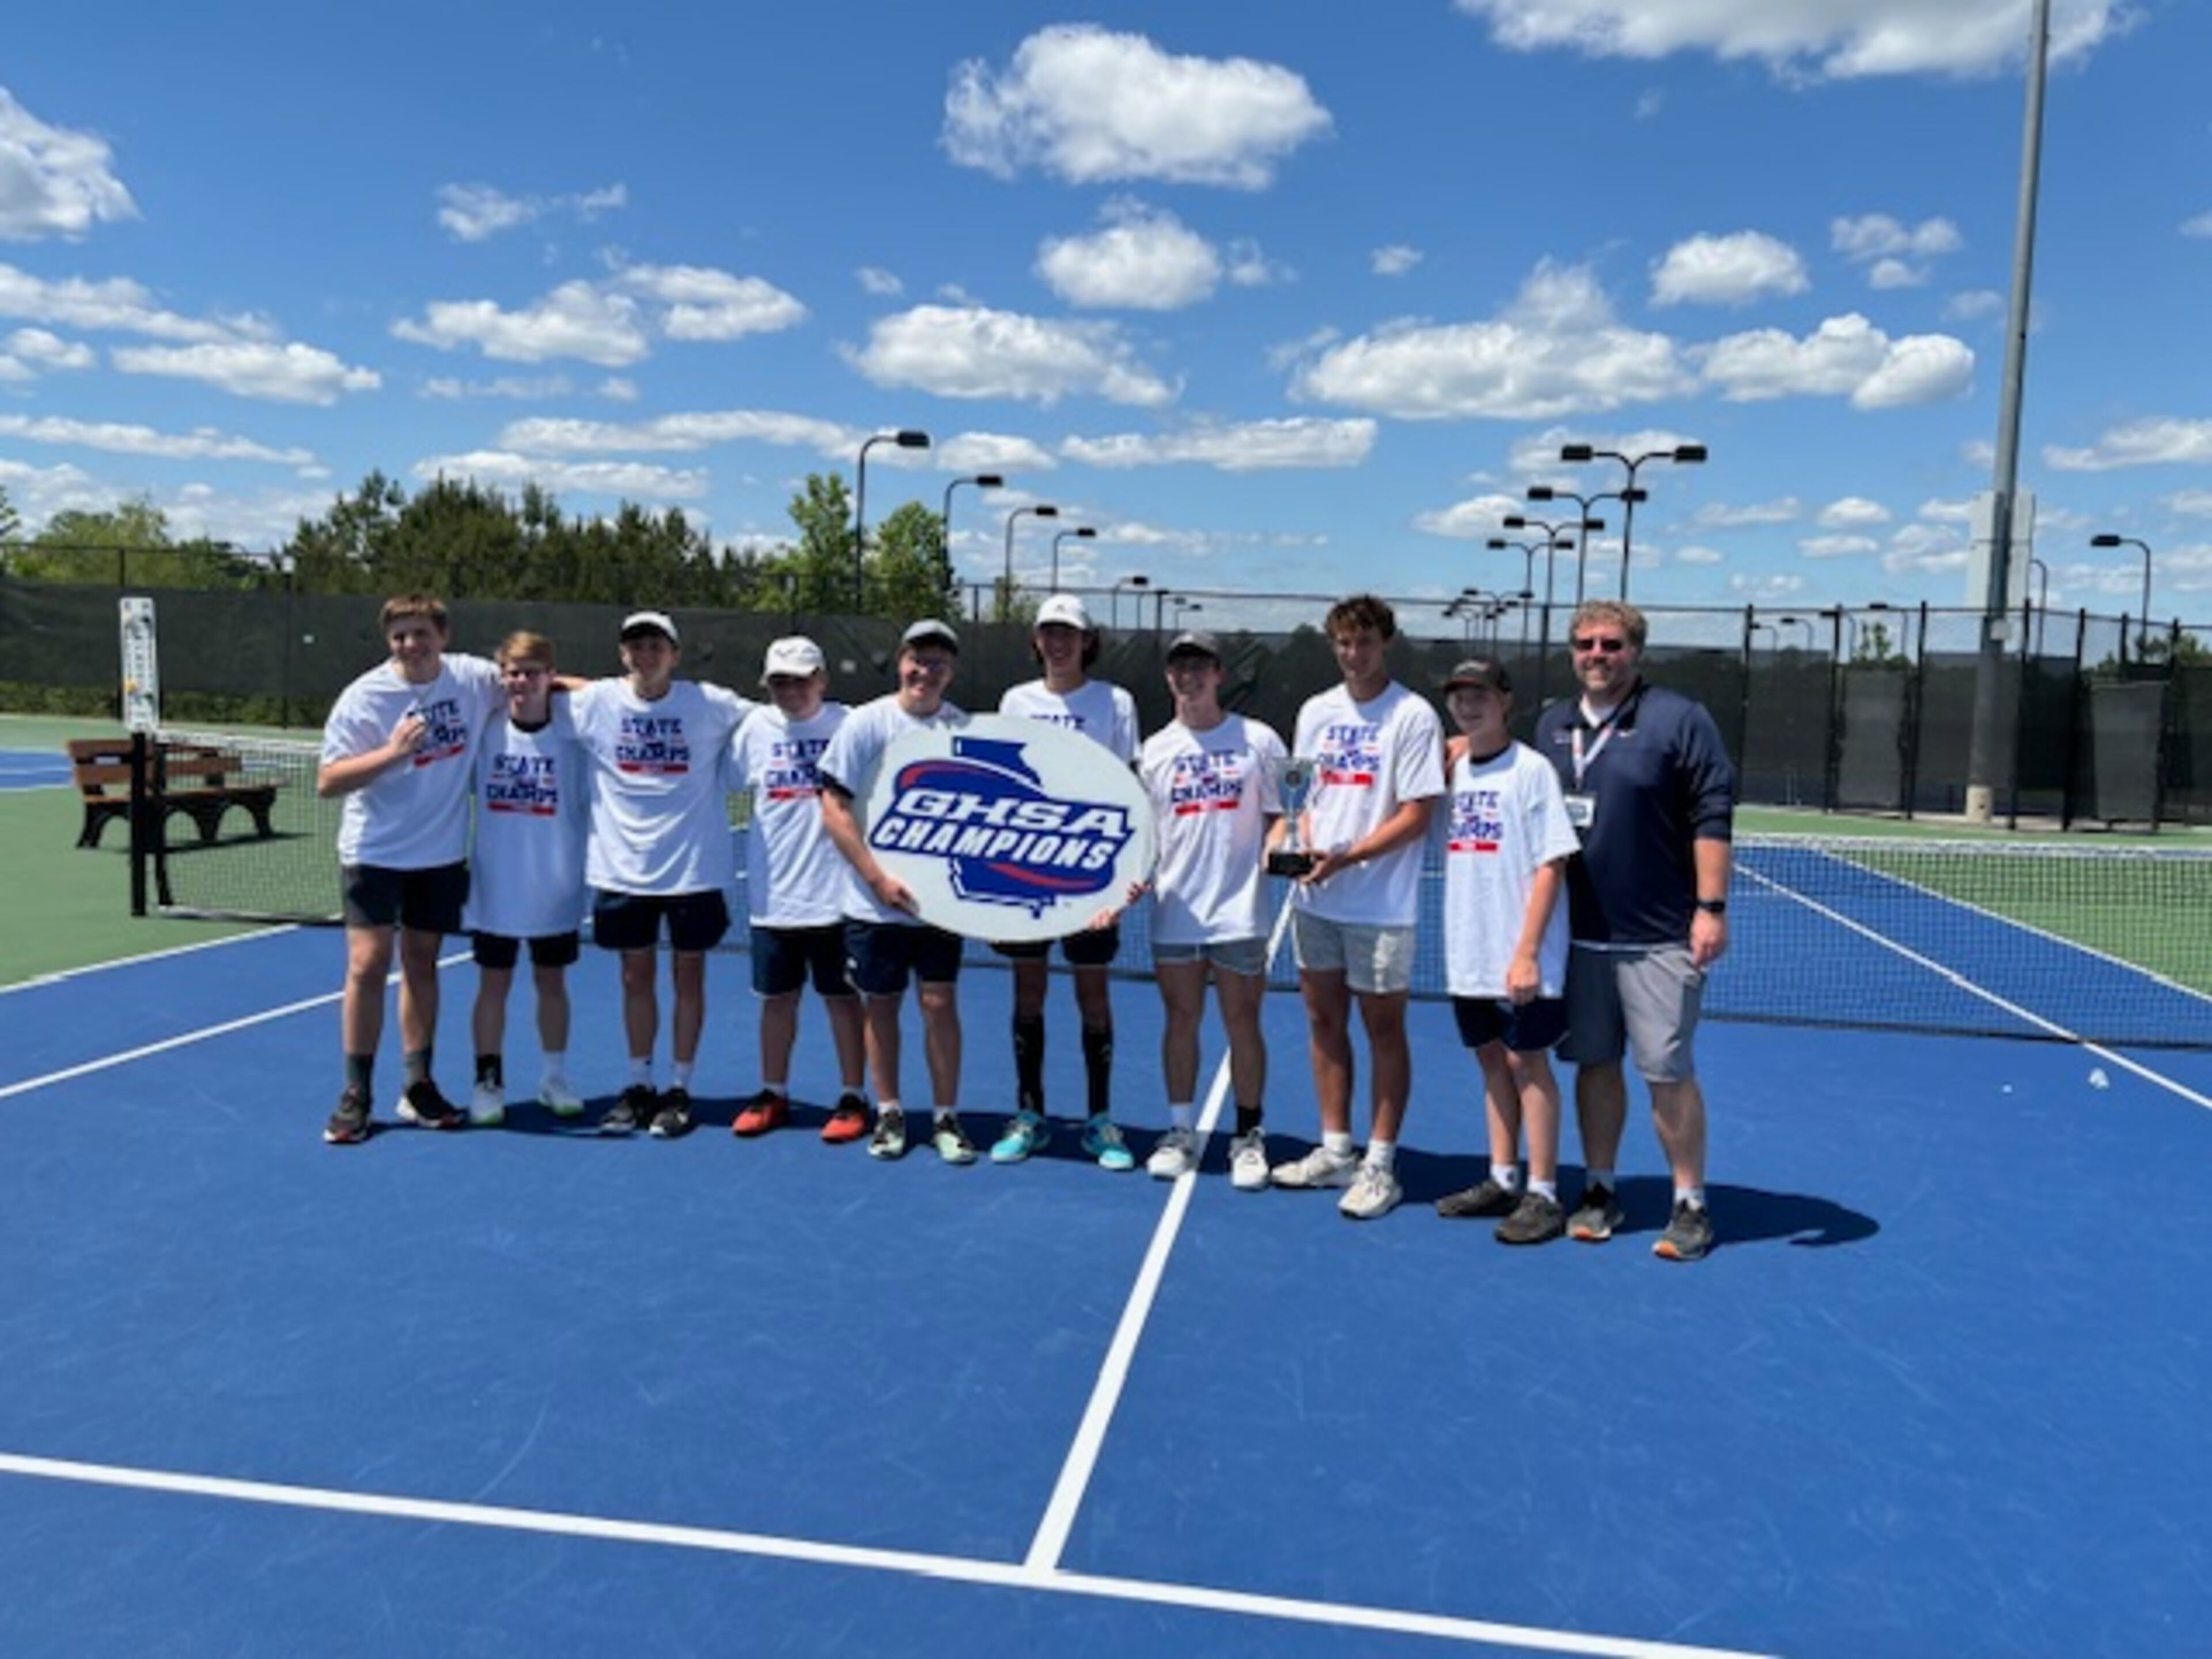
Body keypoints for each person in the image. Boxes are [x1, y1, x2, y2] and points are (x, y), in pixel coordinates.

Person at [1533, 599, 1736, 1263]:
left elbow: (1712, 813)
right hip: (1580, 937)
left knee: (1666, 1072)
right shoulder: (1552, 724)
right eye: (1586, 644)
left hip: (1659, 938)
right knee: (1595, 1067)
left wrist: (1710, 908)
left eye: (1612, 645)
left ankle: (1690, 1203)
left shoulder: (1680, 719)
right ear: (1573, 652)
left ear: (1636, 652)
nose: (1598, 655)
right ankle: (1599, 1189)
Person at [1268, 593, 1444, 1220]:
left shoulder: (1413, 716)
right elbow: (1303, 796)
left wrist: (1346, 856)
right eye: (1343, 643)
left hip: (1381, 909)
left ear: (1385, 644)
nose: (1353, 653)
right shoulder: (1316, 712)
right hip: (1317, 903)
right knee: (1322, 1022)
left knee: (1383, 1031)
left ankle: (1380, 1164)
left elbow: (1418, 814)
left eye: (1364, 642)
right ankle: (1337, 1149)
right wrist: (1298, 841)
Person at [316, 593, 506, 1143]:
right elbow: (328, 782)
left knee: (422, 963)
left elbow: (535, 680)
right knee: (369, 964)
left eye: (421, 633)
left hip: (441, 854)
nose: (411, 645)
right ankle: (356, 1093)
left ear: (443, 636)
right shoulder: (365, 697)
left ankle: (418, 1085)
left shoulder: (471, 678)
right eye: (400, 636)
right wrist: (394, 752)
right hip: (374, 852)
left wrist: (617, 694)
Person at [567, 611, 755, 1139]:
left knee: (688, 977)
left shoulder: (710, 703)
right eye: (636, 646)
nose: (646, 654)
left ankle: (679, 1088)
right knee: (635, 978)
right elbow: (537, 685)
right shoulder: (596, 701)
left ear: (675, 653)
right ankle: (638, 1084)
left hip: (694, 871)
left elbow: (774, 717)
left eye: (656, 646)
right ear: (623, 654)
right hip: (623, 870)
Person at [1429, 658, 1581, 1244]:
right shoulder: (1453, 771)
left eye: (1481, 696)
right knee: (1491, 1059)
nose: (1469, 706)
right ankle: (1501, 1177)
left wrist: (1527, 953)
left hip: (1523, 952)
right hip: (1469, 946)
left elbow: (1552, 865)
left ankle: (1543, 1191)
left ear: (1505, 702)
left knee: (1528, 1063)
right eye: (1460, 696)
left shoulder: (1532, 771)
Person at [990, 593, 1142, 1172]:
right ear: (1037, 641)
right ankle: (1030, 1115)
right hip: (1026, 872)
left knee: (1092, 995)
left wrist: (1122, 877)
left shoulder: (1114, 702)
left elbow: (1128, 790)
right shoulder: (1015, 701)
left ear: (1086, 642)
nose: (1058, 643)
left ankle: (1100, 1120)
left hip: (1090, 878)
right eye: (1048, 633)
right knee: (1028, 992)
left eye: (1068, 634)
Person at [817, 619, 978, 1165]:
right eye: (917, 659)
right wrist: (876, 879)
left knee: (939, 1005)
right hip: (872, 906)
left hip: (939, 907)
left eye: (937, 663)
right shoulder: (865, 724)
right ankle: (889, 1112)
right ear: (901, 663)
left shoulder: (965, 730)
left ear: (951, 672)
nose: (924, 672)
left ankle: (945, 1118)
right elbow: (834, 808)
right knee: (880, 1008)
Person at [1135, 630, 1284, 1188]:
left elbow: (1282, 813)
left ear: (1220, 673)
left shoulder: (1259, 741)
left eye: (1200, 666)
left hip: (1240, 913)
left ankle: (1248, 1136)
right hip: (1176, 911)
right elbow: (1143, 835)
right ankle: (1180, 1131)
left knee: (1243, 1021)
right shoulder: (1154, 751)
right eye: (1180, 667)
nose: (1189, 676)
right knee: (1181, 1020)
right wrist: (1128, 880)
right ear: (1169, 676)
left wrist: (1279, 845)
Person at [726, 637, 869, 1143]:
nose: (791, 689)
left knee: (843, 1001)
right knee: (777, 1000)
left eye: (801, 679)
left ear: (822, 681)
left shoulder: (852, 726)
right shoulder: (753, 731)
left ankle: (854, 1097)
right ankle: (772, 1092)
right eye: (781, 681)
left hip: (840, 899)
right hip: (773, 898)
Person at [463, 630, 590, 1126]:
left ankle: (553, 1077)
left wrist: (559, 687)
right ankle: (487, 1082)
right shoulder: (486, 726)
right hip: (495, 889)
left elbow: (610, 692)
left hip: (555, 889)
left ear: (551, 677)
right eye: (513, 673)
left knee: (551, 983)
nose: (521, 682)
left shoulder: (573, 728)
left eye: (533, 672)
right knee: (493, 985)